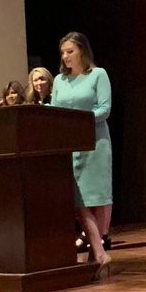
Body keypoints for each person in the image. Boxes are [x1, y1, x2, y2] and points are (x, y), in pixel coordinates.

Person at [50, 32, 113, 269]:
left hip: (96, 143)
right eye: (63, 53)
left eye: (70, 51)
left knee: (98, 198)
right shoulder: (59, 80)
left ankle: (97, 251)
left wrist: (77, 121)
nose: (65, 56)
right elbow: (55, 111)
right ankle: (98, 252)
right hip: (71, 147)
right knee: (81, 201)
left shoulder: (98, 75)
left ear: (82, 51)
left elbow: (105, 109)